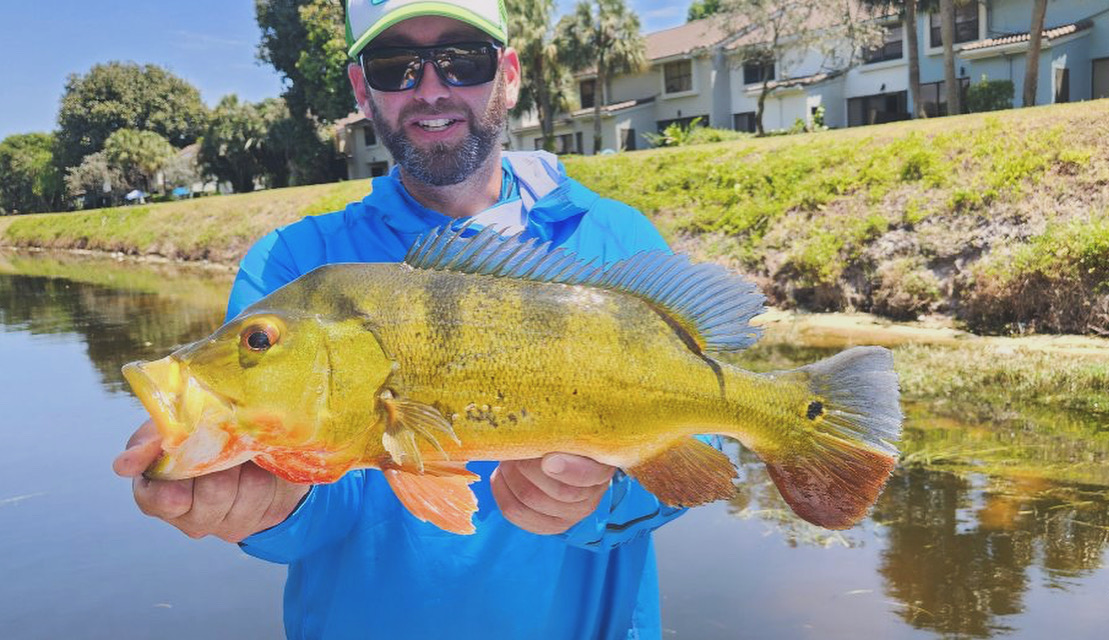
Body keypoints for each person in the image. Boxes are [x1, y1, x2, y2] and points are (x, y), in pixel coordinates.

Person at [113, 1, 692, 638]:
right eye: (396, 67)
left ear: (510, 72)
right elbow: (324, 505)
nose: (432, 88)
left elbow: (703, 449)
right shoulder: (294, 266)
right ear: (364, 90)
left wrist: (602, 499)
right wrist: (273, 504)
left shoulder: (616, 238)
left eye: (461, 59)